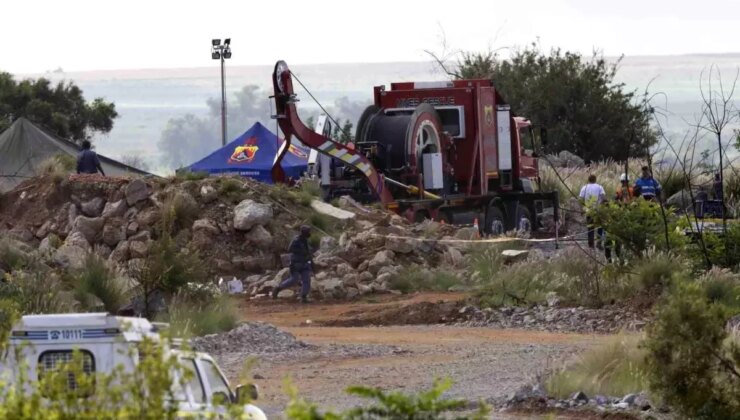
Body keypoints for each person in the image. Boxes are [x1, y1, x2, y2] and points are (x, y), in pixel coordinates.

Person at [272, 225, 314, 303]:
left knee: (306, 280)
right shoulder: (296, 240)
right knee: (294, 280)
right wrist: (301, 252)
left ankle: (303, 297)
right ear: (303, 232)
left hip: (304, 263)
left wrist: (311, 263)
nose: (309, 234)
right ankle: (278, 288)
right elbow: (290, 249)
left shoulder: (305, 241)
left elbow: (308, 253)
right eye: (308, 232)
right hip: (296, 263)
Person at [579, 174, 606, 249]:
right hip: (598, 210)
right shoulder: (600, 187)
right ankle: (599, 243)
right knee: (600, 227)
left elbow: (580, 199)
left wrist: (582, 209)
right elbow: (603, 198)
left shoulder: (584, 187)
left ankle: (591, 245)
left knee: (590, 228)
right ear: (595, 179)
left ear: (588, 179)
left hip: (588, 211)